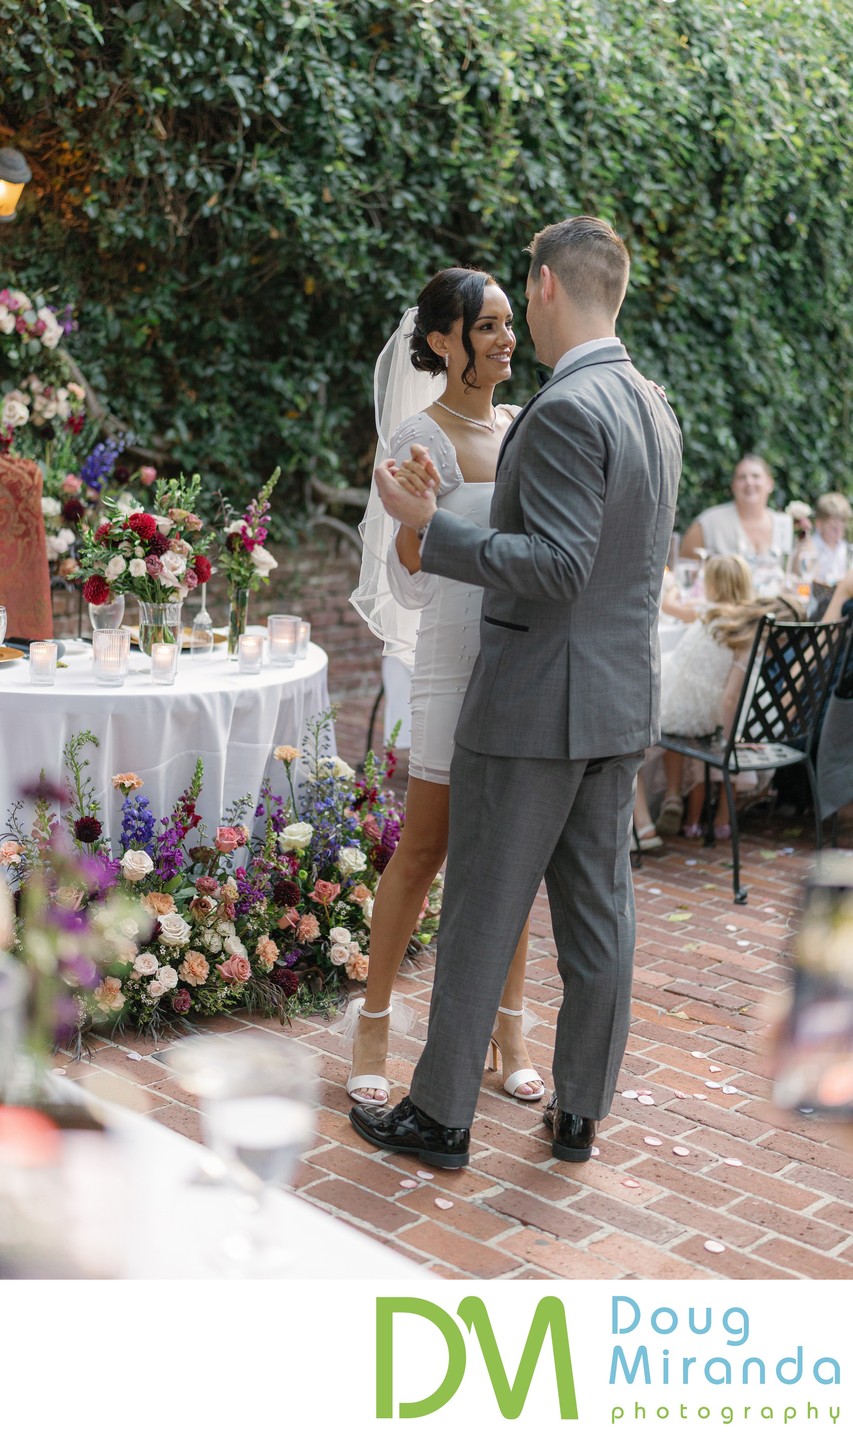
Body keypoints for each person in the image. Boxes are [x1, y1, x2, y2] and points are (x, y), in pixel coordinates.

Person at [350, 215, 682, 1169]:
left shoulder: (568, 407)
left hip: (535, 702)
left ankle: (442, 1116)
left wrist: (434, 526)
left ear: (543, 286)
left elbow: (561, 564)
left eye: (517, 305)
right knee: (597, 917)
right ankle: (578, 1114)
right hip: (618, 705)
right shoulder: (650, 402)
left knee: (484, 909)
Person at [343, 268, 544, 1108]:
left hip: (521, 665)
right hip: (452, 661)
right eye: (487, 326)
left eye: (507, 323)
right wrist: (422, 520)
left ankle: (509, 1031)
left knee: (512, 860)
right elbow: (414, 583)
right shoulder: (414, 438)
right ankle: (375, 1024)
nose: (505, 339)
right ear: (439, 340)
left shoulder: (524, 428)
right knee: (423, 850)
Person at [634, 556, 804, 841]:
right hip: (700, 717)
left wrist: (728, 743)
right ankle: (682, 804)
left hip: (677, 707)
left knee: (629, 744)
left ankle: (646, 825)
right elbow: (730, 699)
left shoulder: (711, 612)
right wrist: (731, 739)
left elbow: (727, 698)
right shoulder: (753, 637)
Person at [680, 455, 793, 561]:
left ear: (770, 484)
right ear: (733, 486)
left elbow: (795, 574)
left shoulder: (783, 524)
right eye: (742, 477)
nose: (749, 482)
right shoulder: (708, 523)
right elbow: (684, 567)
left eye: (756, 476)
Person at [810, 493, 852, 585]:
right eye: (832, 527)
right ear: (819, 524)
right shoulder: (811, 546)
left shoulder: (847, 550)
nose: (838, 530)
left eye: (842, 523)